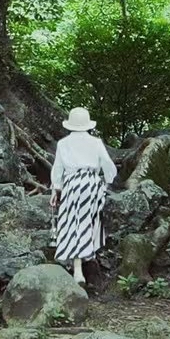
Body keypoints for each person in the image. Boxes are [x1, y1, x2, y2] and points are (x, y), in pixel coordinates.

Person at [48, 106, 117, 285]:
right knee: (88, 221)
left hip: (72, 185)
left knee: (73, 223)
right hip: (92, 183)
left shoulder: (63, 143)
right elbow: (108, 166)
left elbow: (58, 170)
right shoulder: (96, 142)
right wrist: (105, 183)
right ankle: (87, 260)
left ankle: (78, 269)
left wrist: (56, 189)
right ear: (87, 125)